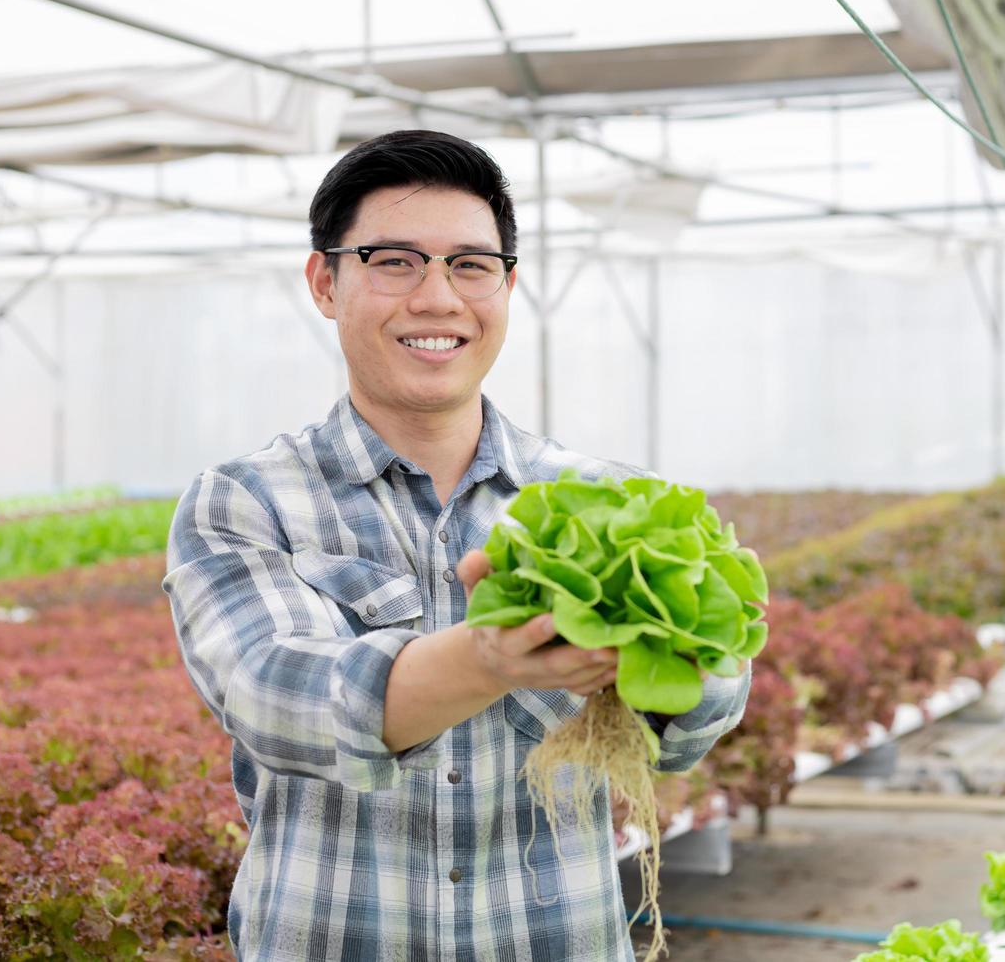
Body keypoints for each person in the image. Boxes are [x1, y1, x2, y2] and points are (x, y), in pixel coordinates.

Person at [163, 129, 752, 961]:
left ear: (508, 287)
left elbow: (696, 726)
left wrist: (686, 657)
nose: (438, 298)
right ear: (326, 282)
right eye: (394, 260)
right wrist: (491, 659)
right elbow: (277, 703)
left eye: (470, 265)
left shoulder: (605, 498)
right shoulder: (248, 500)